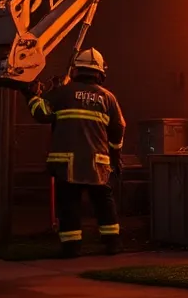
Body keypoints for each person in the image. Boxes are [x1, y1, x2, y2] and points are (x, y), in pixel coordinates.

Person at [26, 47, 125, 257]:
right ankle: (112, 244)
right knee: (104, 203)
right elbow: (118, 129)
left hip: (66, 163)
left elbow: (42, 113)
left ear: (77, 70)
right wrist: (116, 156)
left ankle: (71, 248)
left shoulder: (62, 93)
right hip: (97, 163)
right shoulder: (108, 98)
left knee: (69, 204)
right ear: (100, 72)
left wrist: (31, 95)